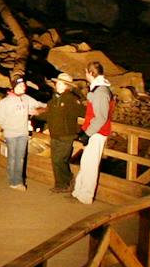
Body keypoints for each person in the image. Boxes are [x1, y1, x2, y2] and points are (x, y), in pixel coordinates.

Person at [73, 63, 116, 204]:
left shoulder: (101, 92)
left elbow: (101, 117)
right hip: (94, 131)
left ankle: (86, 195)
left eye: (86, 72)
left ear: (90, 73)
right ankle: (79, 190)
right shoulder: (99, 90)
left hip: (97, 132)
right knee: (86, 161)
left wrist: (87, 133)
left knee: (90, 163)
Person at [0, 77, 46, 189]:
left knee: (21, 157)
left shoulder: (26, 98)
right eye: (21, 85)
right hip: (11, 134)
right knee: (12, 157)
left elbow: (38, 104)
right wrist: (7, 127)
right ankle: (13, 180)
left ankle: (18, 181)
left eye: (24, 85)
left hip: (23, 133)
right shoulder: (6, 101)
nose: (24, 87)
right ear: (15, 87)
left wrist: (50, 106)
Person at [40, 74, 83, 193]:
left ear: (67, 86)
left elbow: (82, 112)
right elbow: (49, 115)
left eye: (59, 83)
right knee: (55, 160)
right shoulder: (54, 99)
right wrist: (35, 114)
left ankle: (68, 179)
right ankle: (60, 184)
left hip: (66, 134)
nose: (56, 85)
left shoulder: (72, 99)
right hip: (55, 134)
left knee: (59, 159)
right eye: (57, 83)